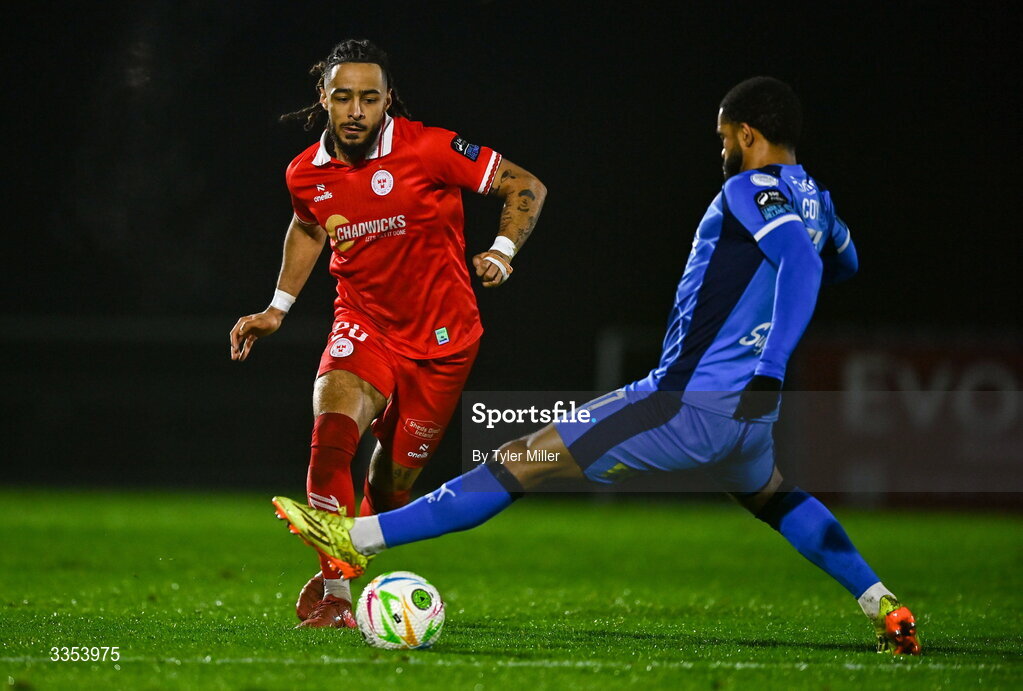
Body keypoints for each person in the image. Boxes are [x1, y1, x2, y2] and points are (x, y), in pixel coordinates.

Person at [271, 76, 921, 655]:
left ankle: (357, 535)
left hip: (686, 401)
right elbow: (842, 261)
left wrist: (771, 360)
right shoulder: (816, 201)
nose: (719, 149)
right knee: (775, 496)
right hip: (747, 417)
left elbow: (803, 266)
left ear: (746, 135)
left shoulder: (751, 186)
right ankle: (881, 601)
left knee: (520, 458)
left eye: (723, 138)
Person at [230, 39, 547, 628]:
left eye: (369, 99)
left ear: (386, 101)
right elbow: (307, 227)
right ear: (324, 98)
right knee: (331, 433)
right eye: (344, 97)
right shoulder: (305, 172)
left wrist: (503, 251)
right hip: (364, 323)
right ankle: (337, 594)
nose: (356, 111)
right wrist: (277, 307)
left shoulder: (429, 147)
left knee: (391, 486)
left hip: (445, 342)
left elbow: (525, 184)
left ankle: (358, 551)